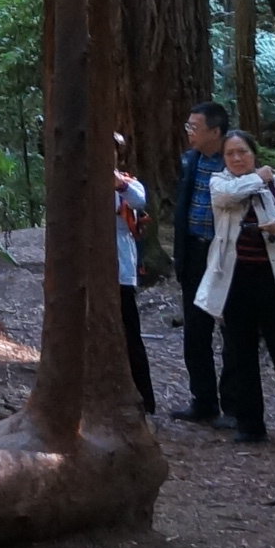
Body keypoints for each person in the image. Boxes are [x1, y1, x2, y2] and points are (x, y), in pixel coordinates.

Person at [196, 127, 275, 447]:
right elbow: (227, 197)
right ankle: (251, 426)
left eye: (243, 152)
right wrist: (259, 177)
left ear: (254, 153)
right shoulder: (219, 182)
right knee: (242, 354)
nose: (237, 158)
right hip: (235, 283)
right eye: (230, 154)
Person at [173, 103, 231, 422]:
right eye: (189, 126)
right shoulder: (190, 161)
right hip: (194, 253)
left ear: (215, 131)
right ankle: (204, 401)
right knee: (196, 331)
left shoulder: (236, 160)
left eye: (195, 127)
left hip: (225, 256)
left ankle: (235, 405)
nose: (189, 133)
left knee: (232, 330)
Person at [114, 136, 157, 415]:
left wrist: (119, 183)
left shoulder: (128, 183)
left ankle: (143, 399)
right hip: (89, 271)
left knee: (130, 334)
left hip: (120, 269)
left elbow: (139, 200)